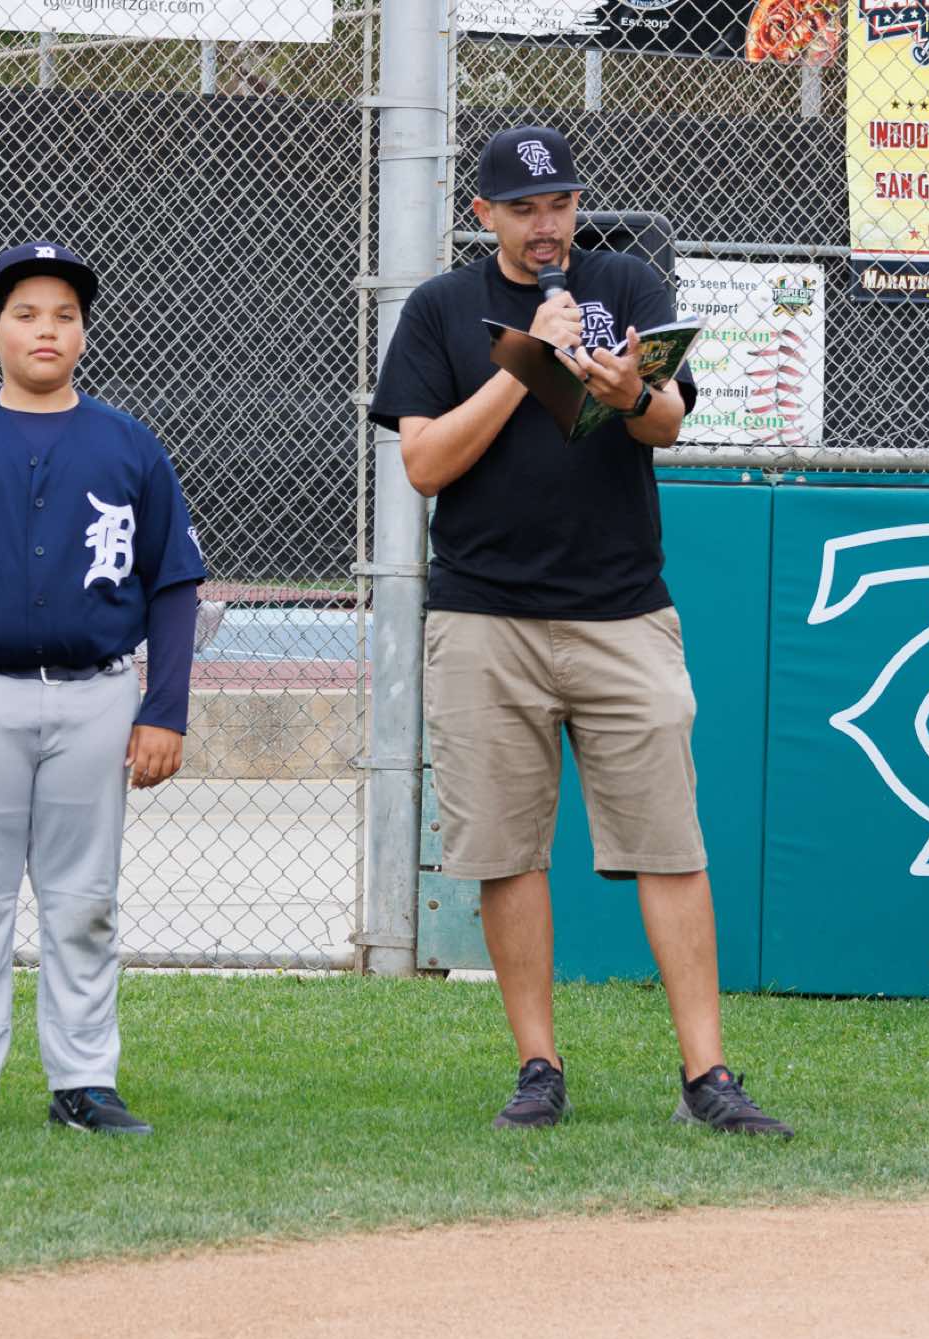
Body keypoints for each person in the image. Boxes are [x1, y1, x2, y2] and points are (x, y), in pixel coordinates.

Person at [368, 125, 791, 1135]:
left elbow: (667, 420)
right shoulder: (441, 309)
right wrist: (524, 362)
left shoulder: (627, 282)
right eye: (522, 209)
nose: (545, 225)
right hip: (484, 617)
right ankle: (538, 1067)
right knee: (506, 851)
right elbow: (424, 466)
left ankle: (707, 1077)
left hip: (621, 611)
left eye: (558, 203)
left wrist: (628, 390)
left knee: (668, 843)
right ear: (483, 215)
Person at [0, 241, 206, 1140]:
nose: (46, 329)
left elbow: (174, 582)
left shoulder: (128, 443)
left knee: (83, 900)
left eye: (64, 314)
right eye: (25, 314)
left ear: (84, 333)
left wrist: (164, 709)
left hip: (97, 694)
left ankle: (83, 1081)